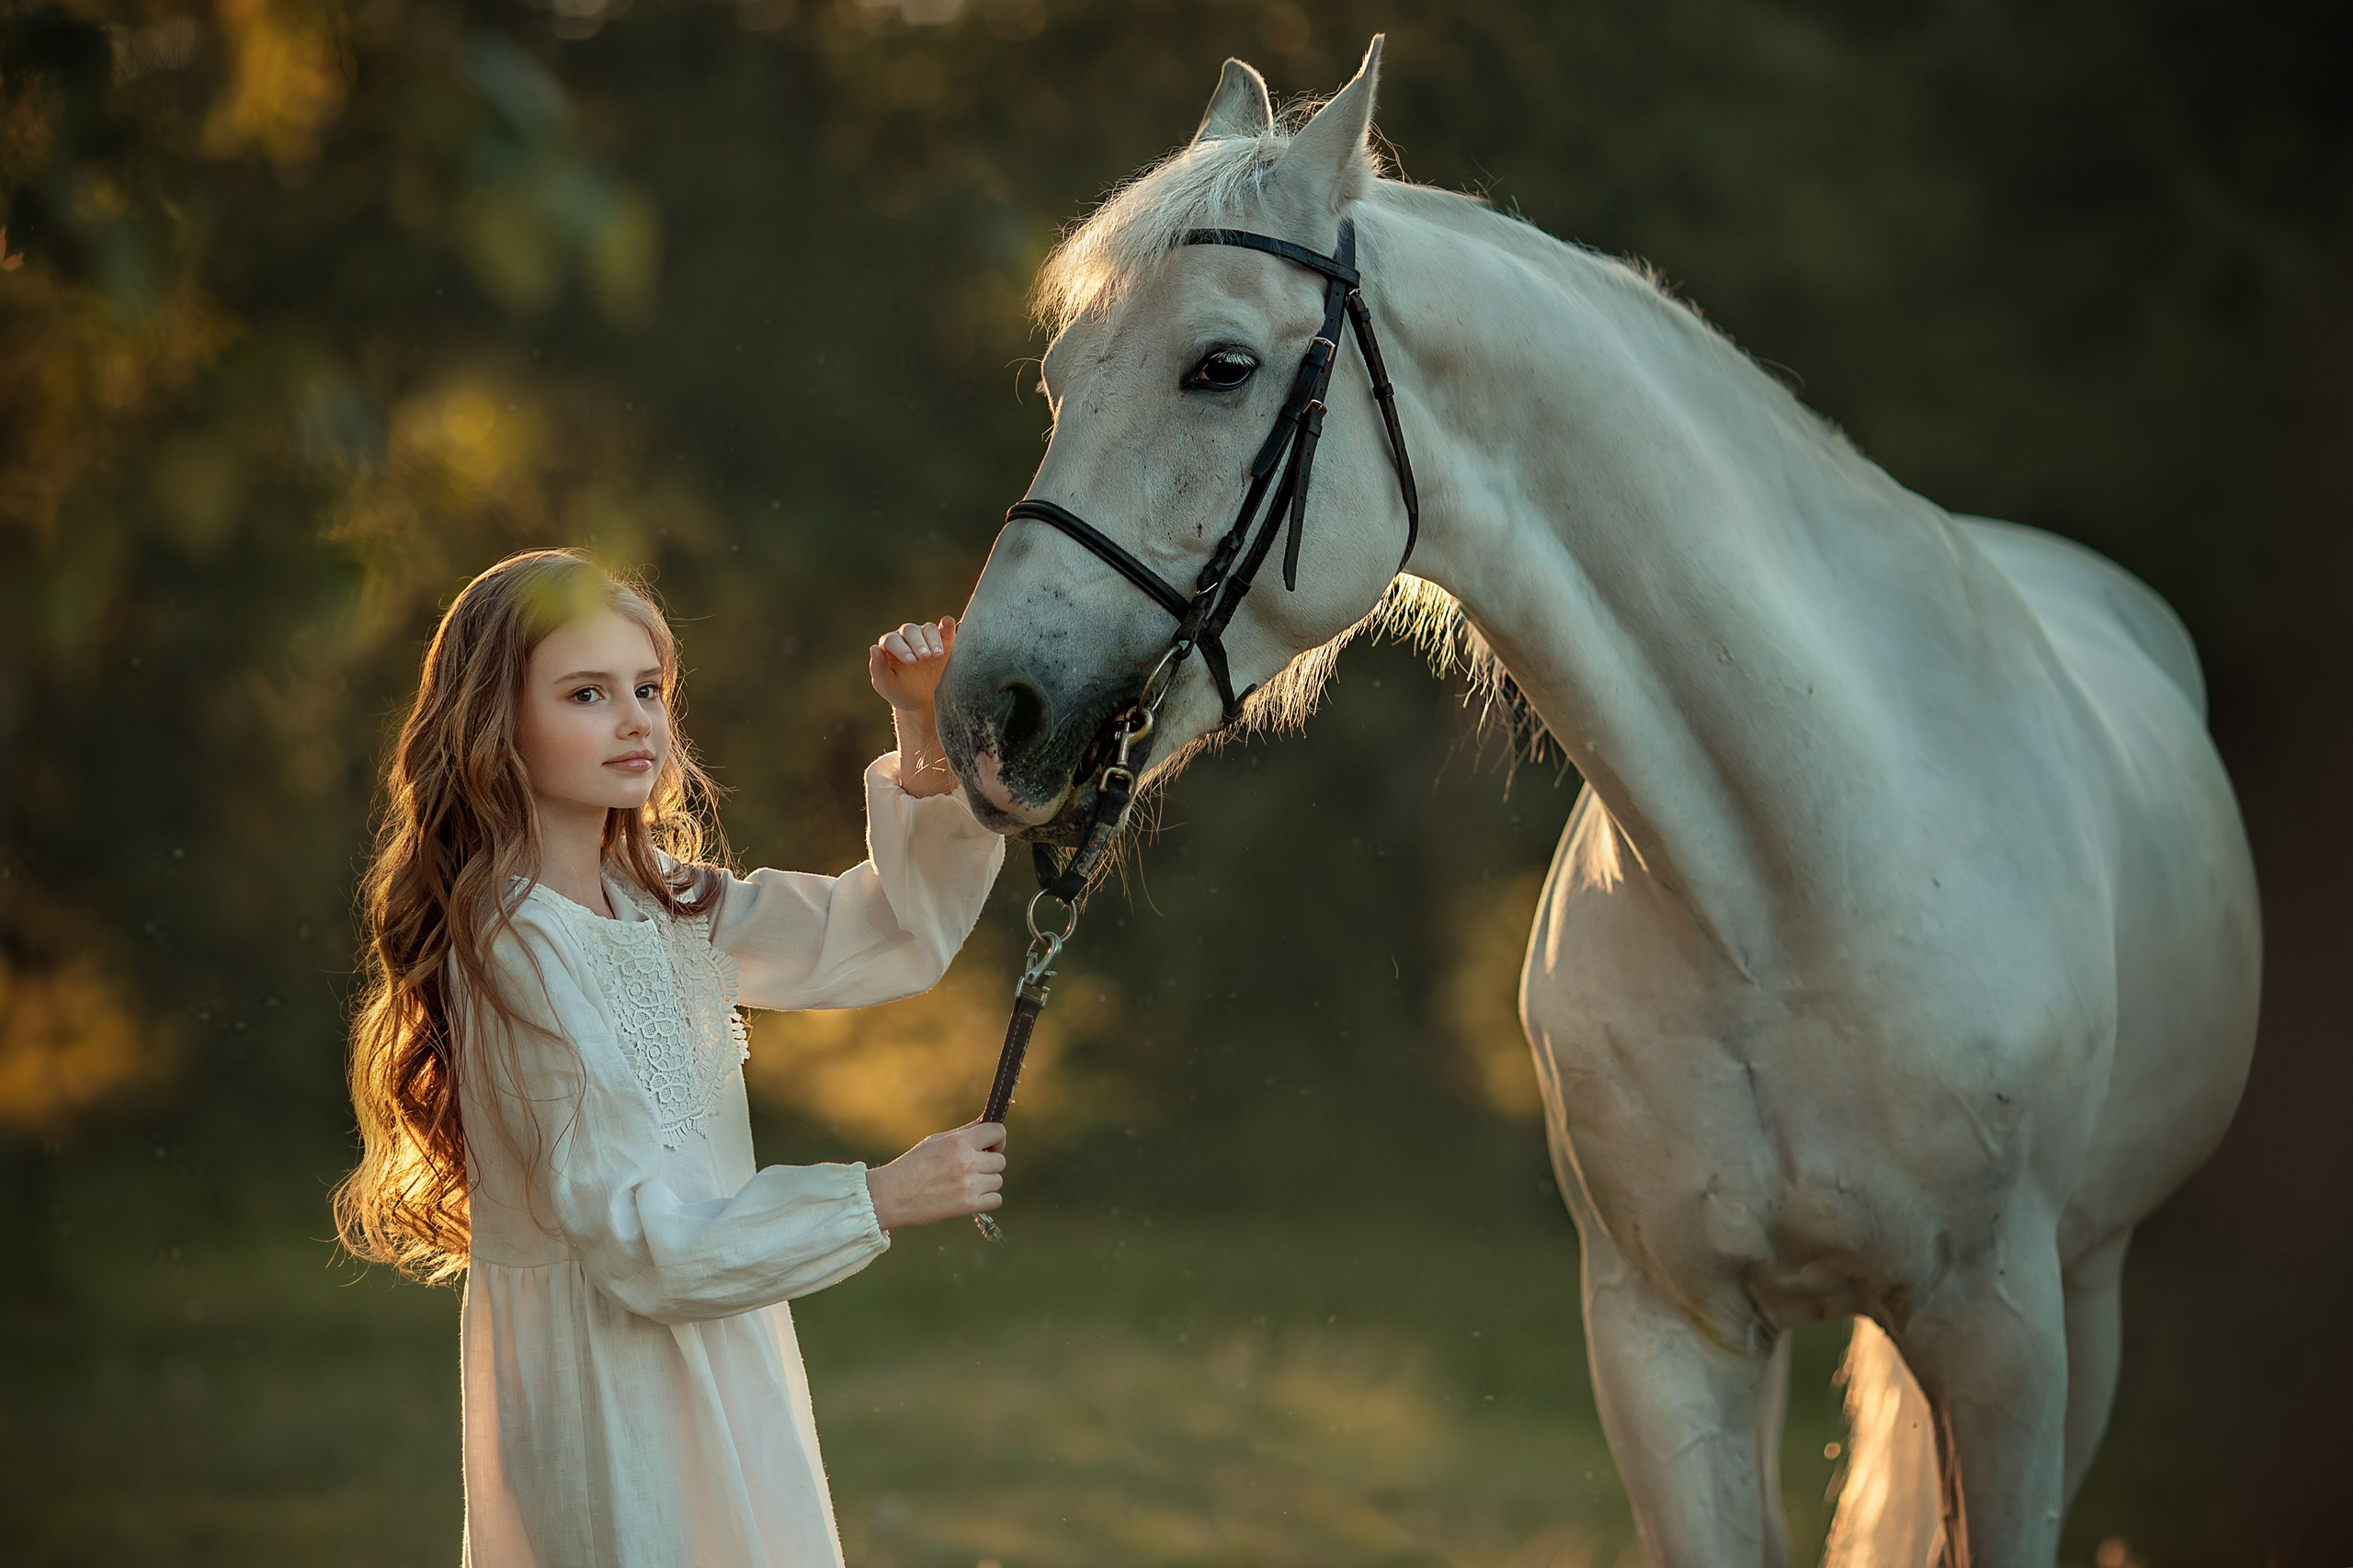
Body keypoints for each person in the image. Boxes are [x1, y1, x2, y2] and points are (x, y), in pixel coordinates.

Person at [333, 547, 1006, 1566]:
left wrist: (919, 728)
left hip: (723, 1340)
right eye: (587, 693)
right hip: (609, 1383)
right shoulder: (515, 944)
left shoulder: (663, 903)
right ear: (492, 722)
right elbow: (643, 1246)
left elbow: (890, 933)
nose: (635, 718)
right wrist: (876, 1194)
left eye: (647, 688)